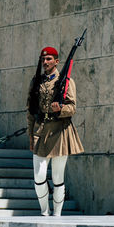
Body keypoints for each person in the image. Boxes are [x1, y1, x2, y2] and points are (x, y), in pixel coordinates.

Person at [27, 46, 84, 216]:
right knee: (39, 176)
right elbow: (30, 110)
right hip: (41, 130)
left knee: (58, 178)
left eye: (49, 59)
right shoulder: (35, 81)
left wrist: (60, 109)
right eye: (43, 59)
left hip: (60, 129)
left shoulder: (66, 82)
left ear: (56, 61)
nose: (45, 62)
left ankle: (57, 214)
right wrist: (30, 135)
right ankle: (44, 212)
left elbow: (72, 108)